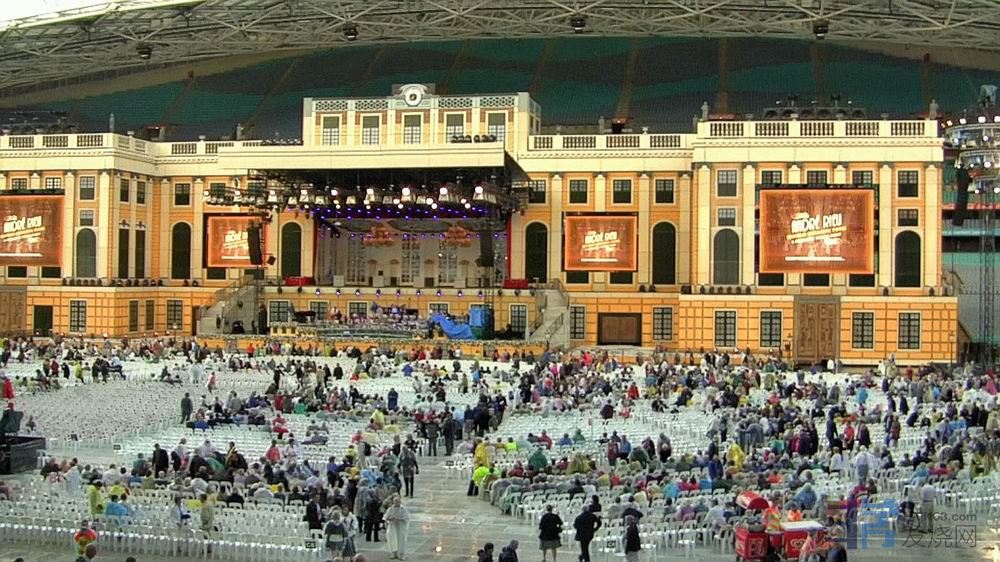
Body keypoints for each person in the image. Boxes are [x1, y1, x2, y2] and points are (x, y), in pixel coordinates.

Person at [383, 495, 410, 560]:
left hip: (400, 527)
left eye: (398, 502)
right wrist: (389, 519)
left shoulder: (403, 509)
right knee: (392, 540)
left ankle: (401, 554)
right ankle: (393, 553)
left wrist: (399, 519)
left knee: (401, 540)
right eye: (395, 502)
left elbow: (407, 517)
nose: (397, 503)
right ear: (393, 502)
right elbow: (385, 517)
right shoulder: (390, 509)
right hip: (392, 527)